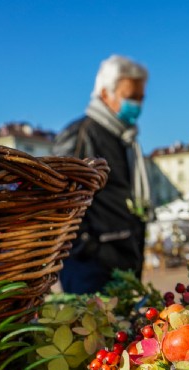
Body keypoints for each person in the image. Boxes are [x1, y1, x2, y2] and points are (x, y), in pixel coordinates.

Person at [53, 55, 151, 294]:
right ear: (106, 94)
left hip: (123, 262)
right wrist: (88, 247)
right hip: (91, 268)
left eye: (141, 98)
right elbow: (60, 201)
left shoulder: (126, 140)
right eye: (131, 98)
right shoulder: (81, 135)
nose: (137, 105)